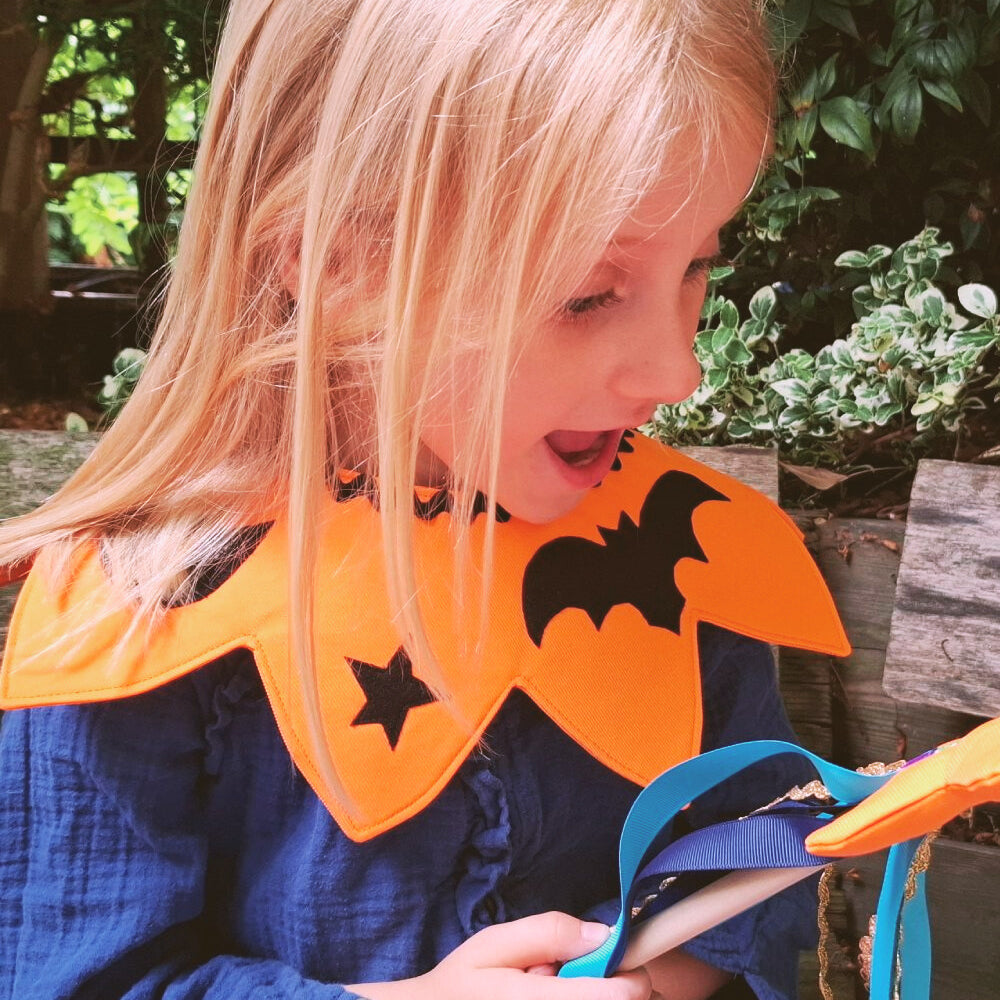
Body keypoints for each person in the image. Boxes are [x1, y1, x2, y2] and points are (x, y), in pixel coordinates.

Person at [0, 1, 850, 998]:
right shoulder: (139, 605)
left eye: (699, 263)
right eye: (584, 293)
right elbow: (75, 976)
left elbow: (751, 854)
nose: (677, 369)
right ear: (334, 262)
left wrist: (667, 970)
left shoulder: (674, 558)